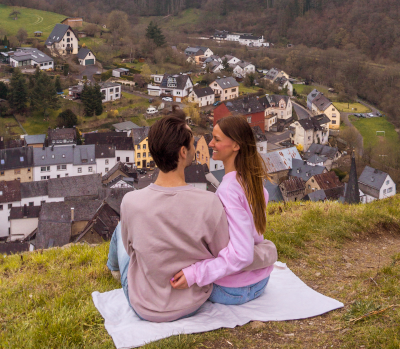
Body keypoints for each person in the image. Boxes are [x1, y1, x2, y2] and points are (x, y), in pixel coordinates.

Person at [107, 109, 277, 322]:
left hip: (145, 304)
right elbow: (222, 252)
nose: (203, 144)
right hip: (191, 302)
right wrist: (267, 251)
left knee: (121, 232)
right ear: (183, 152)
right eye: (193, 142)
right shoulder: (209, 203)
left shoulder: (130, 202)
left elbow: (132, 251)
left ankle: (112, 269)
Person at [171, 115, 274, 305]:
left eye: (217, 139)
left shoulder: (228, 190)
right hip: (260, 281)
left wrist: (195, 273)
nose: (210, 143)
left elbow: (243, 254)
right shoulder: (254, 182)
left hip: (231, 290)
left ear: (236, 145)